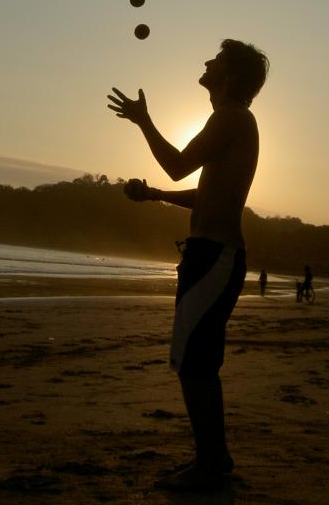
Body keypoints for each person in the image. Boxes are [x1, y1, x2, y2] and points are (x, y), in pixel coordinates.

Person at [107, 38, 269, 492]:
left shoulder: (231, 117)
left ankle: (211, 463)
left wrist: (143, 122)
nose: (205, 61)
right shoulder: (235, 122)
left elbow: (178, 166)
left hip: (214, 256)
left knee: (196, 364)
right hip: (213, 255)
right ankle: (214, 458)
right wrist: (156, 195)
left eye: (215, 60)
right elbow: (206, 194)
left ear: (231, 76)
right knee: (198, 362)